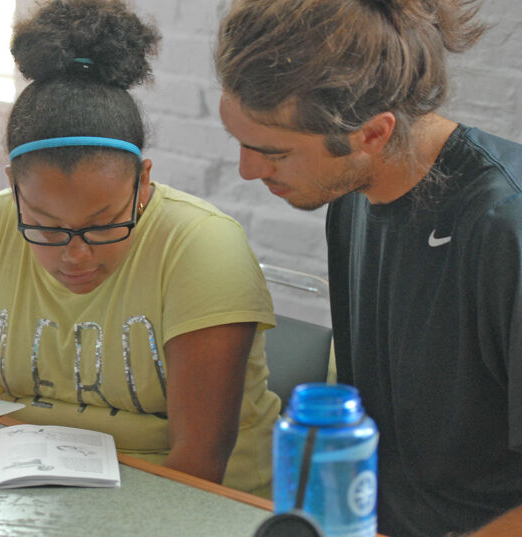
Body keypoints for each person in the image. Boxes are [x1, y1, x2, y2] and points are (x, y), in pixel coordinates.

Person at [0, 0, 279, 495]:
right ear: (14, 189)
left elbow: (199, 465)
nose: (76, 255)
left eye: (104, 224)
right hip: (24, 498)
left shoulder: (201, 248)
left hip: (186, 507)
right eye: (45, 226)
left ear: (143, 182)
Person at [215, 0, 522, 535]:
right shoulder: (352, 197)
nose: (247, 170)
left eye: (273, 152)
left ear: (374, 134)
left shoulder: (504, 228)